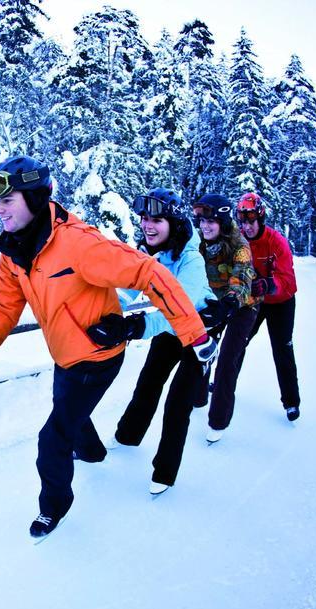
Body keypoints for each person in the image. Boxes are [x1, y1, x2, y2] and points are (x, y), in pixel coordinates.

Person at [0, 155, 217, 540]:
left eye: (7, 199)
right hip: (65, 355)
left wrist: (196, 336)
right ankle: (90, 450)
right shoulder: (15, 252)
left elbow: (148, 272)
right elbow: (4, 307)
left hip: (98, 357)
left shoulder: (79, 245)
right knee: (69, 410)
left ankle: (53, 508)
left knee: (52, 437)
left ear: (35, 199)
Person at [94, 188, 217, 495]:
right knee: (148, 384)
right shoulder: (154, 256)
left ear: (173, 223)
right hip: (168, 330)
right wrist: (100, 310)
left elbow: (180, 309)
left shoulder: (191, 261)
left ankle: (165, 472)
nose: (148, 225)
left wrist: (137, 326)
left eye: (157, 219)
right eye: (145, 218)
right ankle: (127, 436)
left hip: (198, 332)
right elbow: (126, 292)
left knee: (178, 403)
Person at [192, 193, 257, 443]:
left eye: (211, 222)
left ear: (222, 221)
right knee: (200, 349)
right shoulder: (199, 241)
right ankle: (197, 397)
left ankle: (218, 421)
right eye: (202, 221)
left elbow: (242, 274)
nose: (205, 226)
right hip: (214, 301)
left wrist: (230, 301)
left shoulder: (239, 244)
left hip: (243, 304)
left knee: (228, 358)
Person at [236, 192, 301, 421]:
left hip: (281, 303)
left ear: (260, 218)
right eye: (243, 222)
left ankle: (291, 402)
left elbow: (288, 281)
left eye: (251, 221)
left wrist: (268, 284)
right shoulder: (239, 240)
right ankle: (225, 385)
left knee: (282, 348)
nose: (247, 226)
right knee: (237, 341)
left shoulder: (277, 242)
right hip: (256, 301)